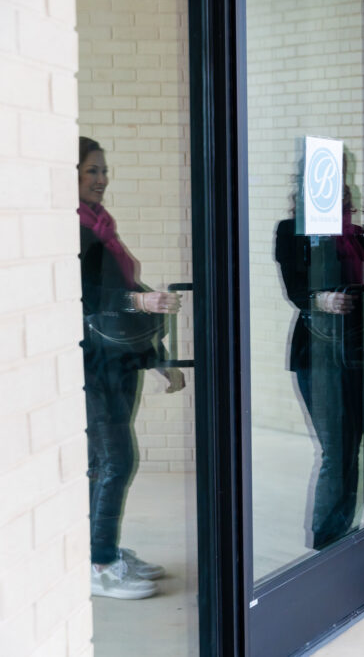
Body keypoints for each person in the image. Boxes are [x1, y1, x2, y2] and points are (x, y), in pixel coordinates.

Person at [78, 137, 185, 600]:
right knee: (114, 461)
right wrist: (139, 299)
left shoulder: (103, 226)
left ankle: (105, 549)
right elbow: (87, 296)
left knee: (107, 462)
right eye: (92, 171)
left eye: (104, 171)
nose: (102, 179)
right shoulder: (70, 226)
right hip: (92, 363)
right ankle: (98, 563)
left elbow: (125, 290)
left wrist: (160, 356)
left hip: (118, 360)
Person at [274, 183, 364, 551]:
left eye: (341, 196)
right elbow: (296, 289)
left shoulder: (359, 235)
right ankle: (326, 541)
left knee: (358, 443)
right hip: (317, 351)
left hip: (358, 351)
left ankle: (346, 528)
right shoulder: (292, 231)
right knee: (336, 447)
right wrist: (321, 298)